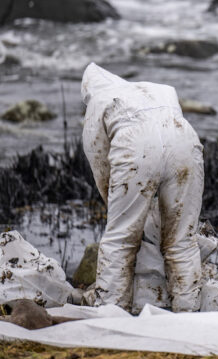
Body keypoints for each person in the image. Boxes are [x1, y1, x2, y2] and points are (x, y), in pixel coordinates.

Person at [80, 62, 205, 312]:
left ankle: (113, 313)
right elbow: (167, 132)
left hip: (135, 147)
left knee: (120, 239)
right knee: (182, 240)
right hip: (186, 143)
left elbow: (100, 164)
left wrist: (121, 206)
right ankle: (188, 314)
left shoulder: (98, 101)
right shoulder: (160, 90)